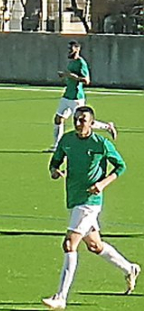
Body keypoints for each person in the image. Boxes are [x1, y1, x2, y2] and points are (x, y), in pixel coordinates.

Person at [42, 106, 140, 310]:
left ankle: (61, 297)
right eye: (76, 119)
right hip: (74, 198)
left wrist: (102, 184)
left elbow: (121, 166)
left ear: (91, 123)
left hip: (90, 202)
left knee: (70, 244)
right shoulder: (67, 140)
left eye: (82, 120)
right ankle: (129, 268)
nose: (78, 123)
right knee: (95, 245)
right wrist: (54, 170)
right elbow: (55, 161)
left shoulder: (101, 143)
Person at [51, 40, 116, 151]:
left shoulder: (81, 63)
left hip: (77, 97)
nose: (69, 51)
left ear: (77, 49)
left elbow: (86, 80)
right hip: (67, 95)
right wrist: (65, 76)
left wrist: (71, 75)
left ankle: (107, 126)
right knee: (58, 119)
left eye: (71, 49)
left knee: (83, 121)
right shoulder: (71, 62)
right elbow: (71, 77)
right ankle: (57, 145)